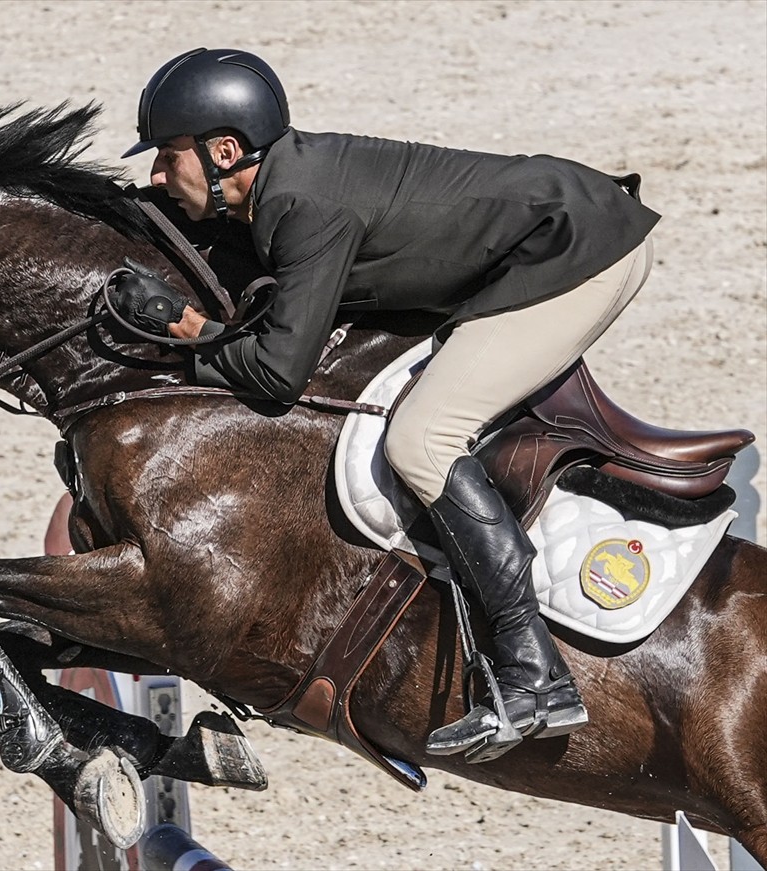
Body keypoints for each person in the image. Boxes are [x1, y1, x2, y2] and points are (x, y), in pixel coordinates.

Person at [110, 47, 659, 761]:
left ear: (224, 150)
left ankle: (533, 673)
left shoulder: (299, 204)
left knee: (422, 439)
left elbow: (278, 372)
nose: (156, 174)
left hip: (580, 253)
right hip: (556, 230)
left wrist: (190, 332)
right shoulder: (284, 184)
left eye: (166, 157)